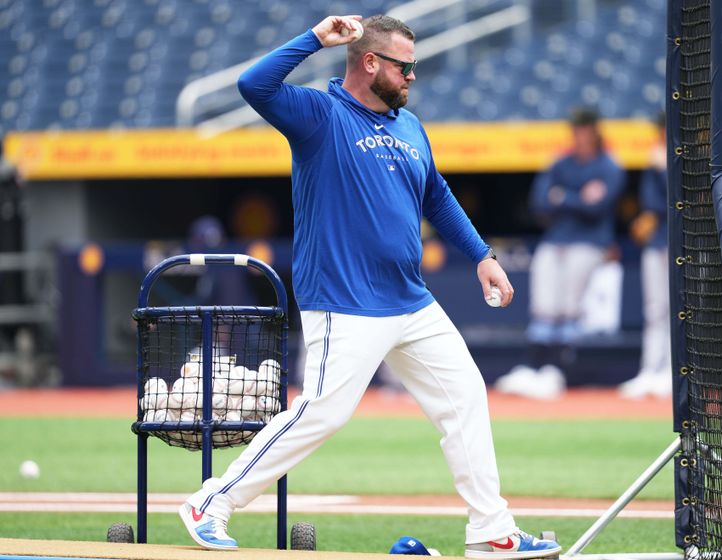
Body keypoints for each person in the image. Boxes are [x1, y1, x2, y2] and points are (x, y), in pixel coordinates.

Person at [178, 14, 560, 559]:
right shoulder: (320, 114)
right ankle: (210, 503)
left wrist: (481, 256)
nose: (411, 77)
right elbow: (253, 86)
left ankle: (491, 531)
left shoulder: (410, 126)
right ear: (370, 62)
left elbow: (437, 197)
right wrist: (313, 40)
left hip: (410, 300)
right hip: (344, 300)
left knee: (466, 397)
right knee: (323, 412)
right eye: (404, 67)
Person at [499, 108, 624, 396]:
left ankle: (556, 370)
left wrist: (563, 197)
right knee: (544, 305)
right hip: (555, 241)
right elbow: (539, 201)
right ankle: (535, 367)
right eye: (576, 129)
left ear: (594, 131)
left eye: (585, 129)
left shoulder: (608, 164)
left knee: (567, 307)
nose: (580, 135)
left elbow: (598, 208)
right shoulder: (561, 162)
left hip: (589, 242)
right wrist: (577, 197)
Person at [619, 113, 671, 398]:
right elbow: (651, 204)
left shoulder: (694, 155)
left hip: (684, 244)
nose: (662, 134)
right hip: (657, 243)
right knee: (655, 310)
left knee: (682, 311)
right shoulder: (654, 158)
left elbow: (684, 200)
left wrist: (667, 169)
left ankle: (673, 373)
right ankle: (650, 370)